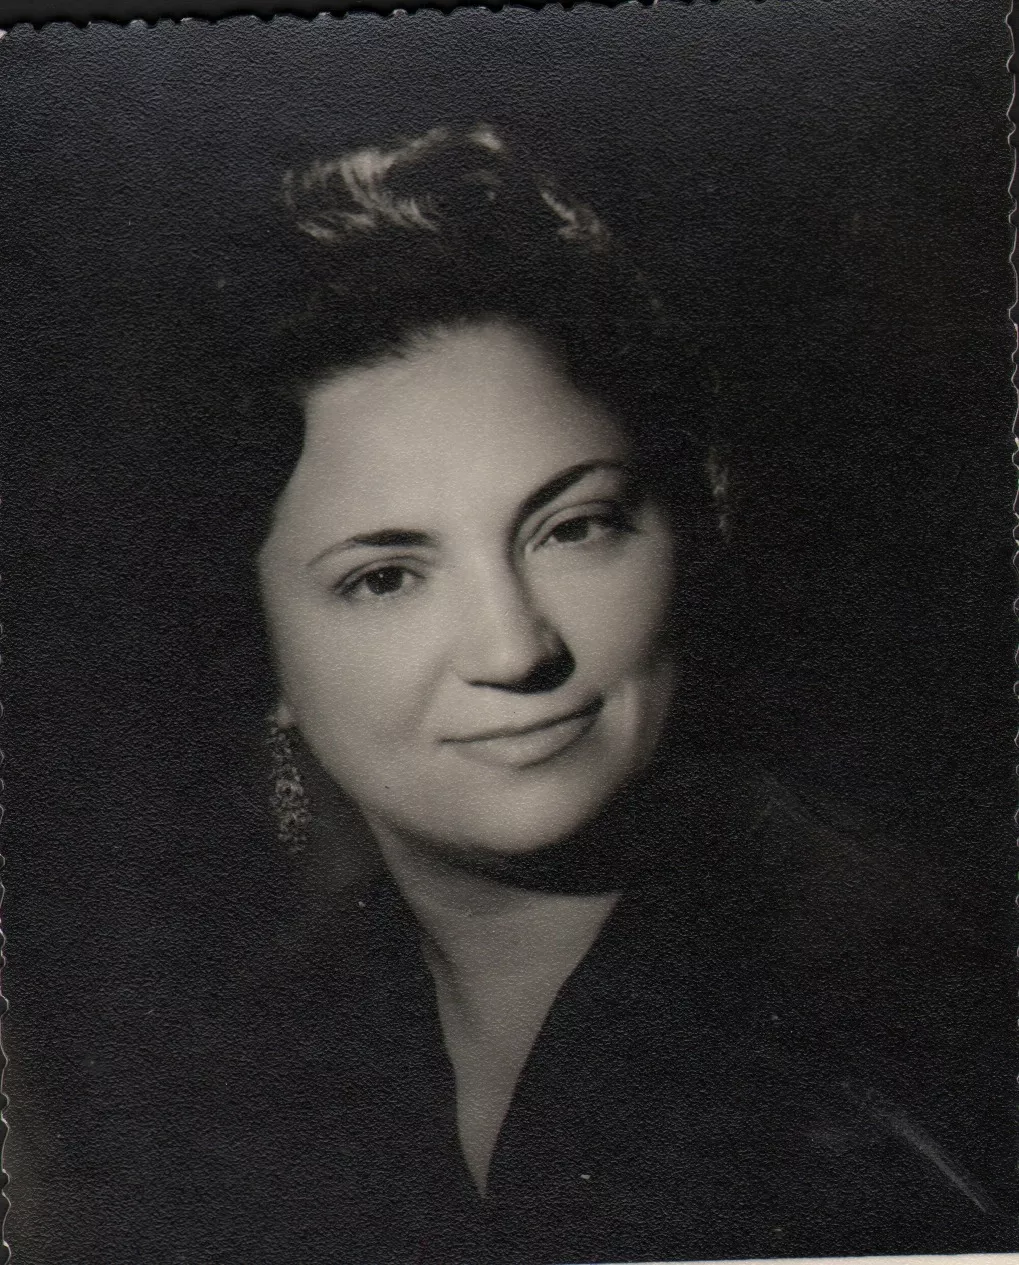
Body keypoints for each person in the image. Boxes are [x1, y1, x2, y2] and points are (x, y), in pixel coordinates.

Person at [176, 126, 1010, 1263]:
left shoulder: (890, 1038)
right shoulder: (278, 1052)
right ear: (259, 641)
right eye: (385, 576)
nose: (514, 646)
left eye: (573, 526)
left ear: (694, 520)